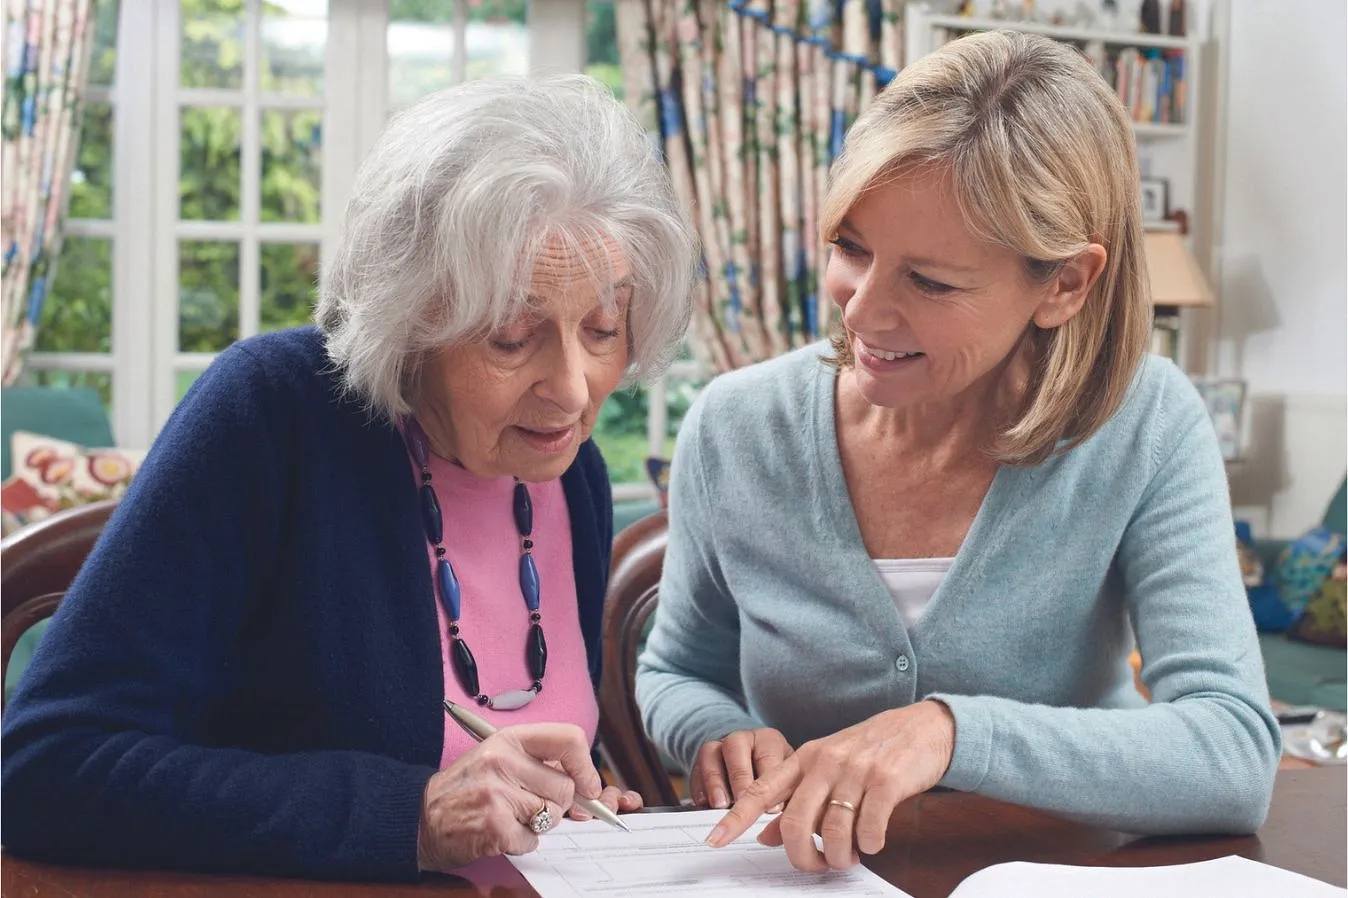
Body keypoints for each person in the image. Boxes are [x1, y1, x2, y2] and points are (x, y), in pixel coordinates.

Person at [1, 74, 696, 880]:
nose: (573, 388)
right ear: (411, 319)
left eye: (604, 328)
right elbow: (44, 769)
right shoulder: (273, 415)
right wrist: (414, 814)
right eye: (513, 336)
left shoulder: (567, 473)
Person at [636, 29, 1281, 874]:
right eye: (851, 248)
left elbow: (1231, 753)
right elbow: (677, 670)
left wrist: (949, 732)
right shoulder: (734, 425)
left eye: (930, 281)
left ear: (1066, 284)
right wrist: (714, 731)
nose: (861, 313)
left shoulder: (1146, 423)